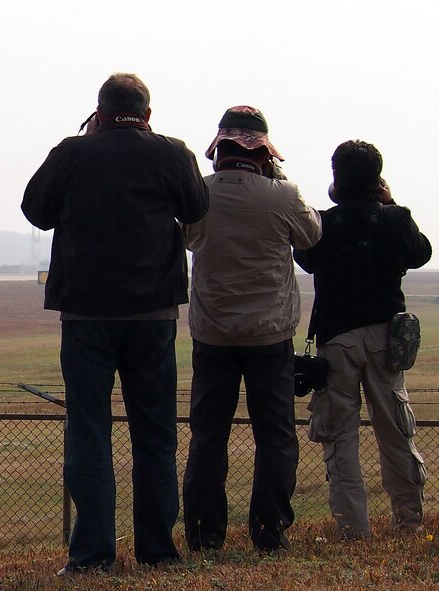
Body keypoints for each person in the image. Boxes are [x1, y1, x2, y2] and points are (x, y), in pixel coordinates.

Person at [21, 73, 208, 573]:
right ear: (148, 114)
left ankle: (92, 554)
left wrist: (85, 147)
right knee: (155, 433)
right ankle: (158, 550)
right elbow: (197, 207)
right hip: (153, 315)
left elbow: (35, 211)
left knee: (89, 432)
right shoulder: (172, 152)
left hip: (86, 315)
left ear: (98, 113)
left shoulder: (74, 153)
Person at [182, 106, 322, 552]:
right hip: (270, 333)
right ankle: (269, 530)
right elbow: (312, 236)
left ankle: (205, 534)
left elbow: (183, 236)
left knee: (208, 436)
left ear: (218, 148)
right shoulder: (283, 195)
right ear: (264, 152)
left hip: (212, 333)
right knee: (276, 435)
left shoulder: (197, 195)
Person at [293, 140, 431, 539]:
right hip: (387, 340)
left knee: (340, 437)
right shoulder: (395, 219)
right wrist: (391, 203)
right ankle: (408, 523)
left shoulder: (323, 224)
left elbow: (306, 256)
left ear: (337, 176)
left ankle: (351, 529)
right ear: (378, 177)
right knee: (396, 433)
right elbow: (421, 253)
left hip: (337, 342)